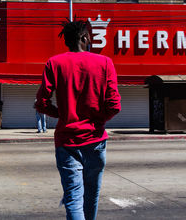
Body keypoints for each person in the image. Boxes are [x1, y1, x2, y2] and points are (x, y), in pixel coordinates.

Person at [35, 20, 121, 220]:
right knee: (91, 196)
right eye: (89, 37)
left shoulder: (54, 64)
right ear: (84, 38)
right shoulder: (105, 63)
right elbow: (114, 105)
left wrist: (62, 115)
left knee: (74, 199)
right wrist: (98, 120)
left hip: (67, 142)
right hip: (96, 141)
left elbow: (41, 103)